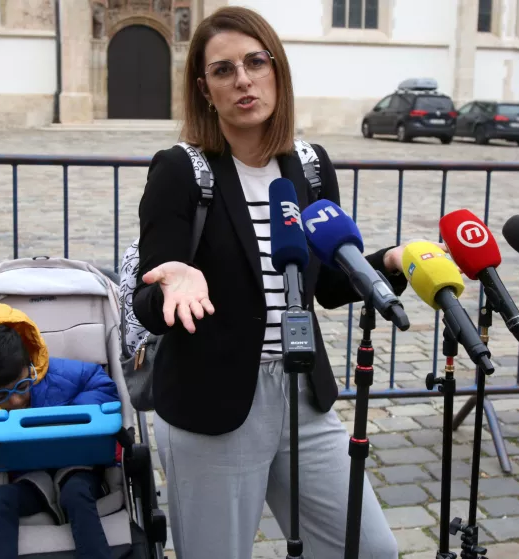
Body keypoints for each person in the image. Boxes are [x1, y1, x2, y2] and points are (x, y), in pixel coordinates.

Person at [132, 6, 418, 558]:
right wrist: (172, 283)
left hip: (303, 395)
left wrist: (389, 261)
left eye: (255, 62)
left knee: (368, 548)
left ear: (276, 70)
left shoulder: (310, 166)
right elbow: (149, 296)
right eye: (223, 70)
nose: (243, 79)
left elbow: (327, 284)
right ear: (205, 89)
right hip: (213, 402)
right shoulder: (179, 169)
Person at [0, 303, 119, 559]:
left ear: (31, 366)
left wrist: (71, 415)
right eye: (0, 395)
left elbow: (102, 385)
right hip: (31, 480)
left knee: (76, 493)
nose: (15, 401)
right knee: (0, 499)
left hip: (79, 467)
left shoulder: (59, 374)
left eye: (21, 387)